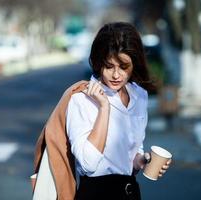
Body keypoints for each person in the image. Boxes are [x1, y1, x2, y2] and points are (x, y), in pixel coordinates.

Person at [65, 22, 172, 200]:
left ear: (134, 64)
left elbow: (131, 157)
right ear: (99, 63)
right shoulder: (81, 100)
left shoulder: (139, 96)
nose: (116, 75)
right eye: (109, 66)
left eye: (124, 67)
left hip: (129, 193)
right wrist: (104, 107)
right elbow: (88, 164)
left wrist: (143, 161)